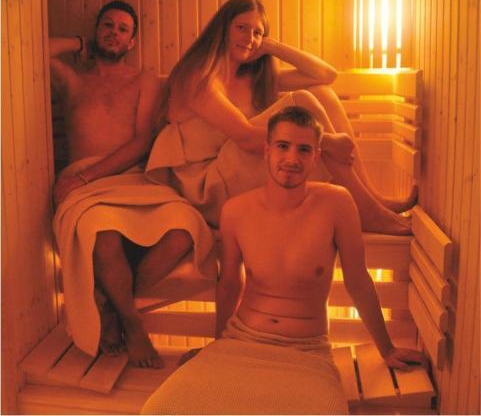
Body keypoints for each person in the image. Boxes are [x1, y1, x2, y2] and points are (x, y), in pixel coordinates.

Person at [141, 106, 426, 415]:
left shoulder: (336, 204)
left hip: (306, 351)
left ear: (316, 157)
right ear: (267, 151)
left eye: (304, 149)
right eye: (282, 146)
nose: (292, 158)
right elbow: (230, 283)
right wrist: (218, 344)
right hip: (241, 341)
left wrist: (387, 348)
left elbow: (358, 282)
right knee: (158, 410)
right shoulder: (236, 211)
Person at [146, 0, 413, 235]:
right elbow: (247, 138)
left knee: (320, 92)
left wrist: (273, 47)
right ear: (222, 29)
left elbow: (326, 76)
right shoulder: (199, 77)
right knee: (302, 101)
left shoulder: (251, 80)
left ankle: (370, 199)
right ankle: (367, 210)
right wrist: (327, 142)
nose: (249, 38)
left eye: (257, 33)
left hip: (235, 171)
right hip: (208, 189)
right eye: (241, 28)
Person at [50, 0, 215, 368]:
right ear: (96, 32)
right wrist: (78, 44)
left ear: (132, 42)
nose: (114, 32)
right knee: (103, 234)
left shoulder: (143, 80)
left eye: (123, 29)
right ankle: (133, 324)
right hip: (84, 186)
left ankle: (110, 305)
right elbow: (28, 50)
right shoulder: (72, 79)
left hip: (131, 178)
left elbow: (142, 141)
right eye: (107, 25)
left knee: (185, 229)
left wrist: (85, 178)